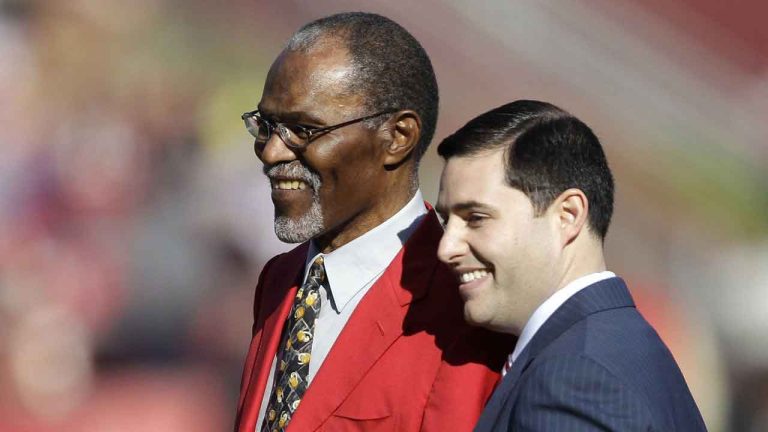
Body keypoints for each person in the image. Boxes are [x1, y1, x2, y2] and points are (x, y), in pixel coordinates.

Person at [234, 13, 510, 432]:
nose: (272, 153)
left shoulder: (464, 305)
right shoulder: (281, 278)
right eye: (267, 125)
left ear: (398, 137)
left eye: (303, 129)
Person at [435, 100, 707, 431]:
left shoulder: (575, 376)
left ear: (568, 215)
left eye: (476, 218)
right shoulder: (615, 345)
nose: (446, 248)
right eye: (447, 220)